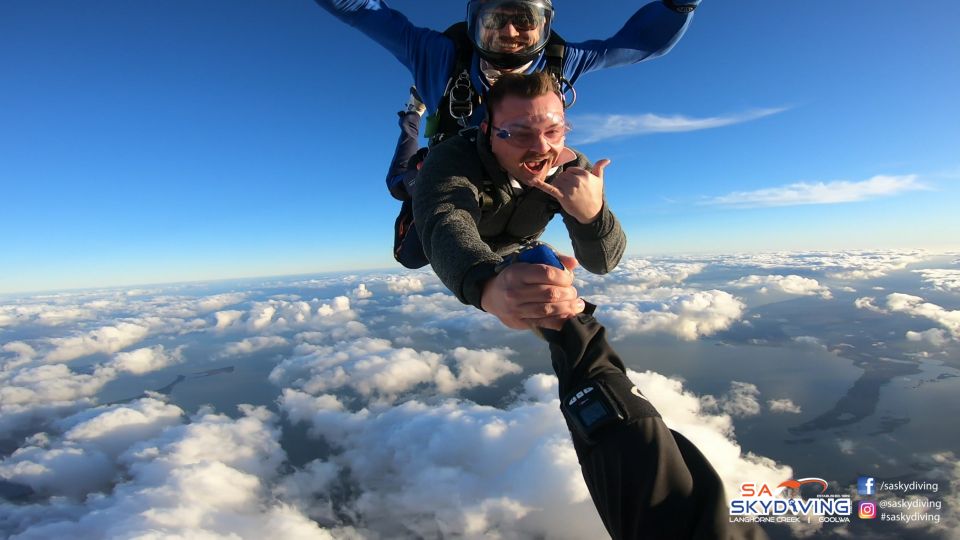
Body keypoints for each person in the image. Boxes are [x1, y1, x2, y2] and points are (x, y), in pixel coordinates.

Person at [414, 72, 766, 539]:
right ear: (486, 132)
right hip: (452, 238)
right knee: (408, 207)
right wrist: (484, 285)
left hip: (511, 244)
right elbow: (445, 220)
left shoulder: (568, 166)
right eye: (517, 133)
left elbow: (603, 261)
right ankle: (407, 126)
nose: (539, 146)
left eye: (553, 130)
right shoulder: (453, 160)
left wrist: (591, 215)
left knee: (543, 261)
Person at [315, 0, 703, 142]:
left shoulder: (560, 59)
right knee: (409, 229)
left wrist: (680, 4)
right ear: (474, 25)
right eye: (495, 19)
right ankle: (412, 116)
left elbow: (637, 45)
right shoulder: (437, 55)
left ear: (544, 24)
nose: (510, 31)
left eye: (523, 18)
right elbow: (361, 10)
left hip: (515, 177)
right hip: (449, 167)